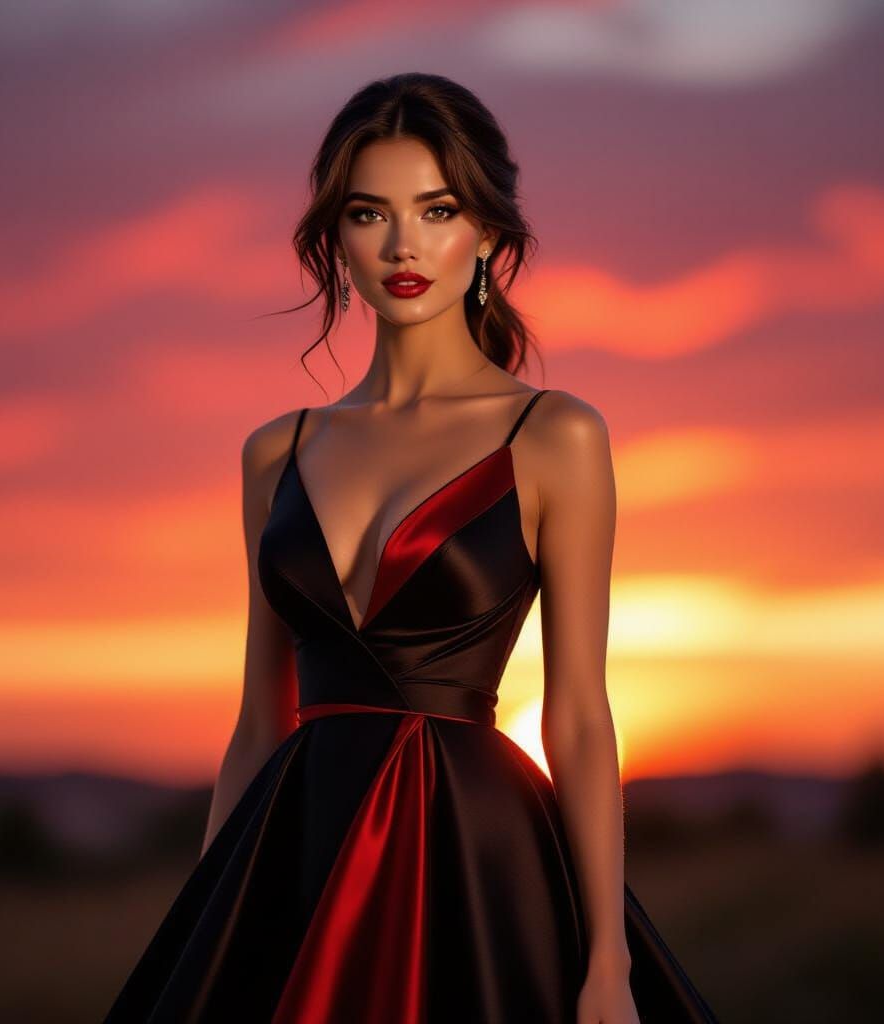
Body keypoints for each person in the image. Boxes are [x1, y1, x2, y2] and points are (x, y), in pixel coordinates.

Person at [103, 72, 720, 1024]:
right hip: (297, 840)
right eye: (369, 213)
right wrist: (206, 934)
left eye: (437, 210)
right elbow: (258, 722)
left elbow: (579, 718)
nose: (402, 245)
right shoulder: (275, 452)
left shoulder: (554, 436)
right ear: (335, 236)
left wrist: (607, 961)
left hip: (470, 853)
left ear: (488, 233)